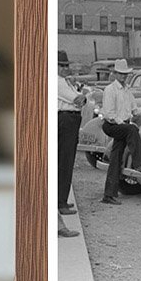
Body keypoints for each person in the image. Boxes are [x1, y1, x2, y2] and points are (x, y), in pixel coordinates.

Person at [100, 59, 141, 205]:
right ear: (115, 74)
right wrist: (125, 124)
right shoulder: (110, 90)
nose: (123, 77)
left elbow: (135, 110)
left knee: (116, 158)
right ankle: (140, 163)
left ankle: (108, 195)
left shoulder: (127, 91)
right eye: (120, 74)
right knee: (132, 130)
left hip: (122, 127)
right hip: (112, 125)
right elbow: (109, 114)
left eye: (125, 74)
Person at [57, 50, 86, 218]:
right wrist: (83, 96)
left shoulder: (65, 81)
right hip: (66, 119)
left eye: (66, 65)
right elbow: (78, 100)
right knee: (64, 162)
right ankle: (60, 202)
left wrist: (80, 95)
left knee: (67, 161)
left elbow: (78, 97)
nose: (64, 68)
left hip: (70, 119)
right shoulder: (59, 82)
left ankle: (62, 199)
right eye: (61, 65)